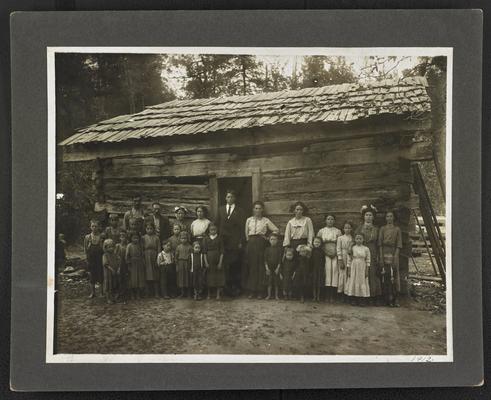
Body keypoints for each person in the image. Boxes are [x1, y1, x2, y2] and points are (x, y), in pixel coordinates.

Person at [244, 201, 279, 299]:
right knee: (252, 267)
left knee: (260, 267)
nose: (258, 210)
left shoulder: (265, 220)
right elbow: (246, 233)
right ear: (253, 209)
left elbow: (276, 230)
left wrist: (267, 237)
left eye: (259, 208)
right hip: (251, 243)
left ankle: (260, 291)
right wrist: (249, 242)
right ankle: (251, 291)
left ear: (262, 209)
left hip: (261, 243)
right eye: (256, 208)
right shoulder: (249, 220)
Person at [215, 189, 246, 296]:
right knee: (224, 265)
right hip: (223, 242)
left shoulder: (240, 211)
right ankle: (224, 289)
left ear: (235, 198)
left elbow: (242, 228)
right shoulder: (220, 209)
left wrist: (241, 241)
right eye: (228, 197)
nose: (230, 199)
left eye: (232, 197)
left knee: (234, 265)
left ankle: (235, 289)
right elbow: (217, 225)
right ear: (225, 198)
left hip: (234, 242)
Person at [355, 204, 382, 305]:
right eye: (366, 215)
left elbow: (379, 243)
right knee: (362, 274)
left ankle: (373, 296)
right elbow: (355, 241)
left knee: (372, 273)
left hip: (373, 251)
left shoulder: (376, 229)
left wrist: (379, 256)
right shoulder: (359, 229)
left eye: (370, 215)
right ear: (363, 217)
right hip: (361, 252)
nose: (368, 217)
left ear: (373, 217)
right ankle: (362, 297)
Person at [378, 211, 403, 307]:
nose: (389, 218)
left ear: (393, 218)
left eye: (391, 216)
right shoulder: (382, 229)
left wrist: (396, 256)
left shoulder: (397, 229)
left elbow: (399, 244)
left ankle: (395, 298)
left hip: (393, 252)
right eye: (387, 216)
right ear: (385, 218)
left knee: (394, 275)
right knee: (386, 275)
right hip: (384, 251)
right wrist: (380, 257)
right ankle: (387, 298)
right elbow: (380, 244)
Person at [317, 214, 342, 302]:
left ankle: (333, 295)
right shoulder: (321, 231)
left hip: (335, 253)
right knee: (327, 272)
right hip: (325, 254)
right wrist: (326, 252)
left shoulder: (338, 231)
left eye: (332, 219)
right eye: (328, 219)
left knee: (335, 271)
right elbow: (319, 243)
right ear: (325, 221)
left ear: (334, 221)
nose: (330, 221)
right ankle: (326, 295)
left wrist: (335, 253)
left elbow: (340, 243)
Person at [345, 233, 371, 305]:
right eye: (357, 239)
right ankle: (354, 299)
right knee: (353, 281)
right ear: (355, 239)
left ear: (363, 239)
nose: (359, 240)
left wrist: (366, 270)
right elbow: (349, 260)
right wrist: (349, 270)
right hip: (354, 266)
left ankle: (361, 300)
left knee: (361, 281)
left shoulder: (366, 249)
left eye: (360, 239)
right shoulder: (352, 248)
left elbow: (368, 260)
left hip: (362, 266)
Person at [202, 224, 225, 300]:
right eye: (211, 229)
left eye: (214, 229)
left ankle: (218, 294)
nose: (213, 231)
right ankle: (209, 294)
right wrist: (206, 262)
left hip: (217, 259)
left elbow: (222, 252)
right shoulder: (206, 239)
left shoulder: (219, 238)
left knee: (218, 277)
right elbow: (204, 252)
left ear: (216, 230)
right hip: (209, 259)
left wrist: (220, 262)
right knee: (209, 277)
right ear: (209, 230)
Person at [84, 219, 104, 299]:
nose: (94, 228)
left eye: (96, 226)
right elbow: (85, 249)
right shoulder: (87, 237)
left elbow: (103, 248)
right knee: (92, 275)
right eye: (93, 226)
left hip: (99, 258)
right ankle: (93, 293)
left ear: (98, 227)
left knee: (100, 274)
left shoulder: (101, 236)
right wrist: (86, 258)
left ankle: (101, 292)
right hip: (91, 258)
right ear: (90, 227)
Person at [337, 221, 355, 302]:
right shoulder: (340, 238)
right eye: (345, 228)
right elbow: (338, 249)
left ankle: (348, 293)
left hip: (350, 256)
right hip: (343, 256)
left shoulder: (353, 238)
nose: (347, 229)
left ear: (351, 229)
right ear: (343, 229)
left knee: (349, 274)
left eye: (349, 228)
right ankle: (341, 293)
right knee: (342, 274)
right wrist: (340, 260)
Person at [142, 222, 161, 298]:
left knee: (155, 274)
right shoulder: (143, 238)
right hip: (146, 256)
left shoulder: (156, 237)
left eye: (151, 229)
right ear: (145, 229)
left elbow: (159, 248)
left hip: (154, 255)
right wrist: (143, 257)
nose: (149, 230)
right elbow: (141, 248)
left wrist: (158, 257)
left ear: (153, 229)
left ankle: (156, 293)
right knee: (147, 275)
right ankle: (147, 293)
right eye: (147, 229)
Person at [125, 231, 146, 299]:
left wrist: (143, 262)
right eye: (134, 238)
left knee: (139, 279)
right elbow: (127, 256)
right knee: (133, 280)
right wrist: (128, 264)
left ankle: (138, 294)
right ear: (131, 238)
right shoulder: (129, 246)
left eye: (137, 238)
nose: (135, 239)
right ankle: (132, 294)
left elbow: (142, 254)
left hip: (139, 263)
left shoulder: (140, 245)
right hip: (132, 264)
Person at [264, 233, 282, 300]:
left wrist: (278, 268)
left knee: (276, 282)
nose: (273, 241)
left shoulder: (279, 249)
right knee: (269, 282)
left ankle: (276, 296)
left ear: (277, 240)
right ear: (269, 240)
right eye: (271, 239)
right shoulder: (267, 249)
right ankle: (268, 295)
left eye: (274, 239)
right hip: (269, 268)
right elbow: (265, 260)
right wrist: (267, 268)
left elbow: (280, 260)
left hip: (276, 268)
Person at [175, 231, 192, 298]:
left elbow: (191, 256)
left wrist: (191, 265)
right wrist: (177, 265)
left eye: (185, 238)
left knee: (188, 278)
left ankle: (189, 293)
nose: (183, 240)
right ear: (180, 239)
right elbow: (176, 257)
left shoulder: (190, 247)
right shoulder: (178, 247)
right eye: (182, 238)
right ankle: (182, 293)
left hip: (187, 263)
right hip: (180, 263)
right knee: (181, 278)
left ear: (187, 238)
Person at [102, 239, 119, 304]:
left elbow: (118, 261)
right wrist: (111, 269)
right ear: (105, 248)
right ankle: (108, 298)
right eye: (109, 247)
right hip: (108, 272)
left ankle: (113, 298)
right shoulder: (105, 255)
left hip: (114, 271)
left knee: (114, 284)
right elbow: (105, 264)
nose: (111, 248)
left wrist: (118, 269)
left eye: (112, 247)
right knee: (108, 285)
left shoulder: (115, 254)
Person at [115, 230, 129, 303]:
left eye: (124, 236)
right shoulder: (118, 246)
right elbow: (115, 255)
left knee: (125, 280)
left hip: (126, 264)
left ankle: (125, 296)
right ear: (119, 238)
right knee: (119, 280)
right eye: (121, 237)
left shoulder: (128, 245)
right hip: (119, 264)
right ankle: (119, 294)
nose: (123, 238)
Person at [311, 236, 325, 302]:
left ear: (321, 243)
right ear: (313, 243)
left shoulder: (322, 251)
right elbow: (310, 261)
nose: (317, 243)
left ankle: (318, 297)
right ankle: (314, 297)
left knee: (319, 283)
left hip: (320, 269)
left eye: (318, 242)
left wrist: (323, 268)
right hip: (313, 268)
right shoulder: (312, 251)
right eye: (315, 242)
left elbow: (323, 261)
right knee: (314, 283)